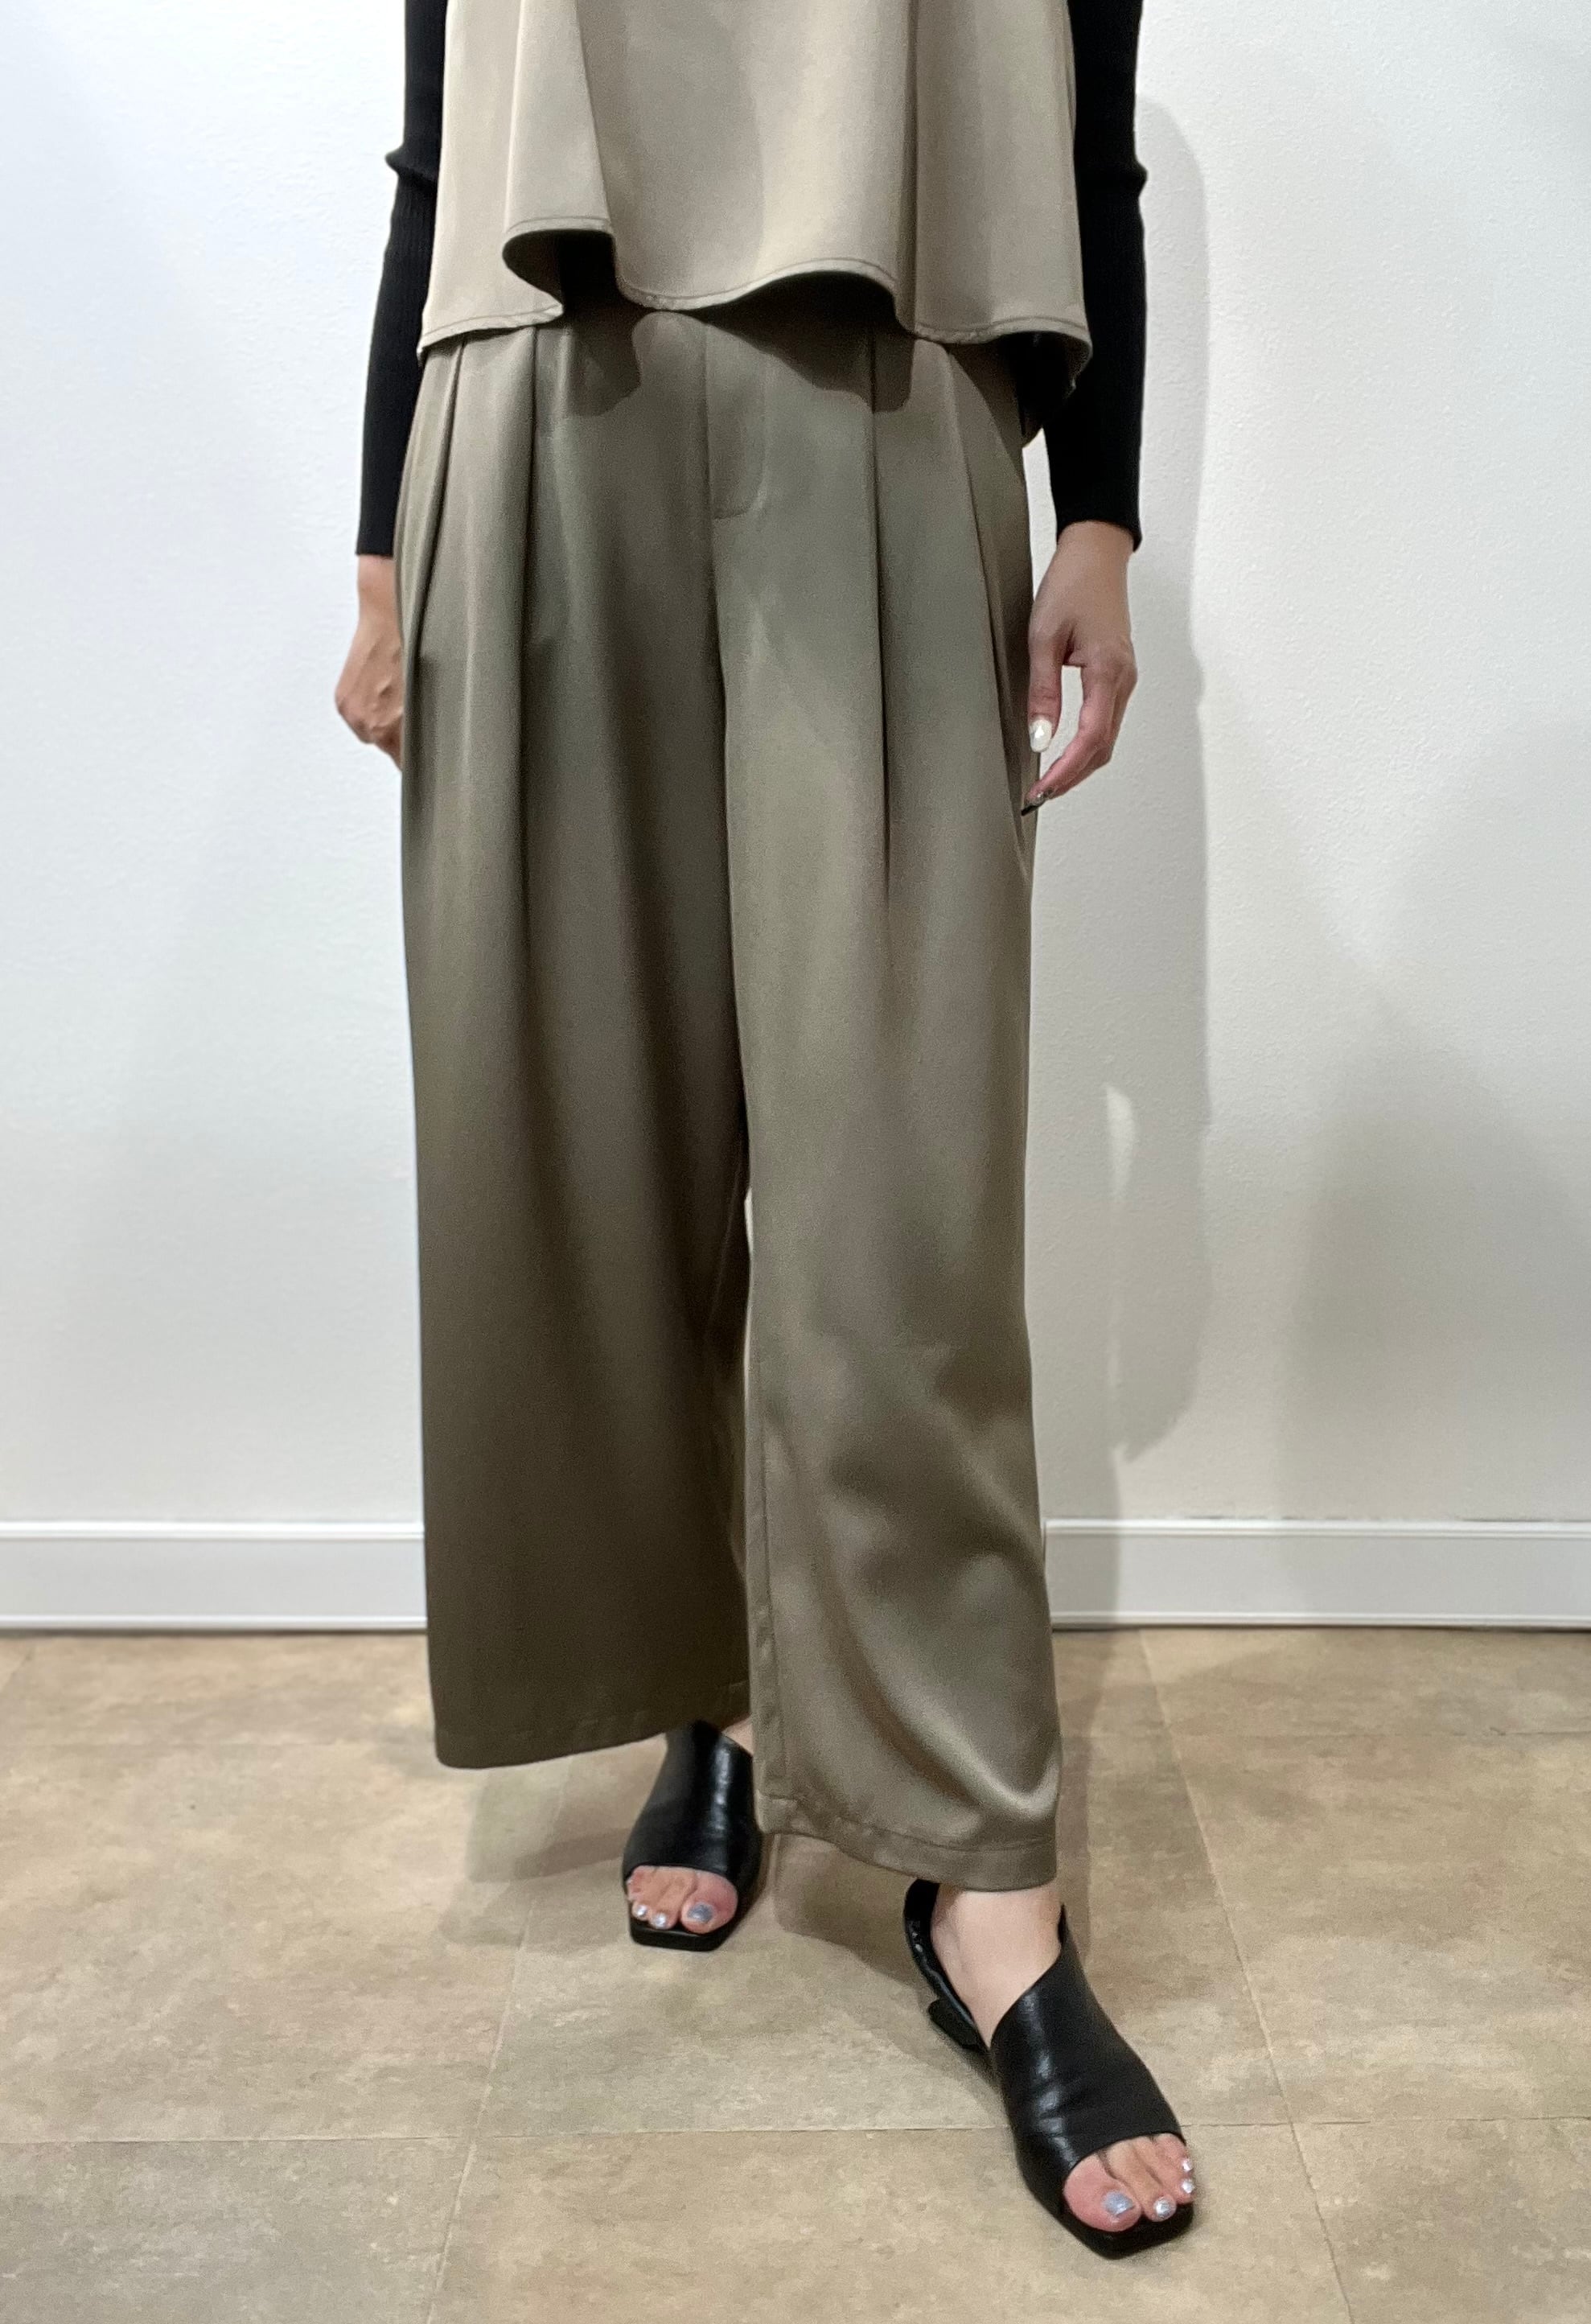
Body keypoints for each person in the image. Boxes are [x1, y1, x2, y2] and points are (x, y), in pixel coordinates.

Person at [335, 0, 1194, 2259]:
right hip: (536, 379)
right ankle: (702, 1695)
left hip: (899, 376)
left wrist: (1100, 505)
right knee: (580, 1145)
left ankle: (983, 1883)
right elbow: (438, 127)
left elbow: (1086, 118)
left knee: (900, 1192)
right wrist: (378, 542)